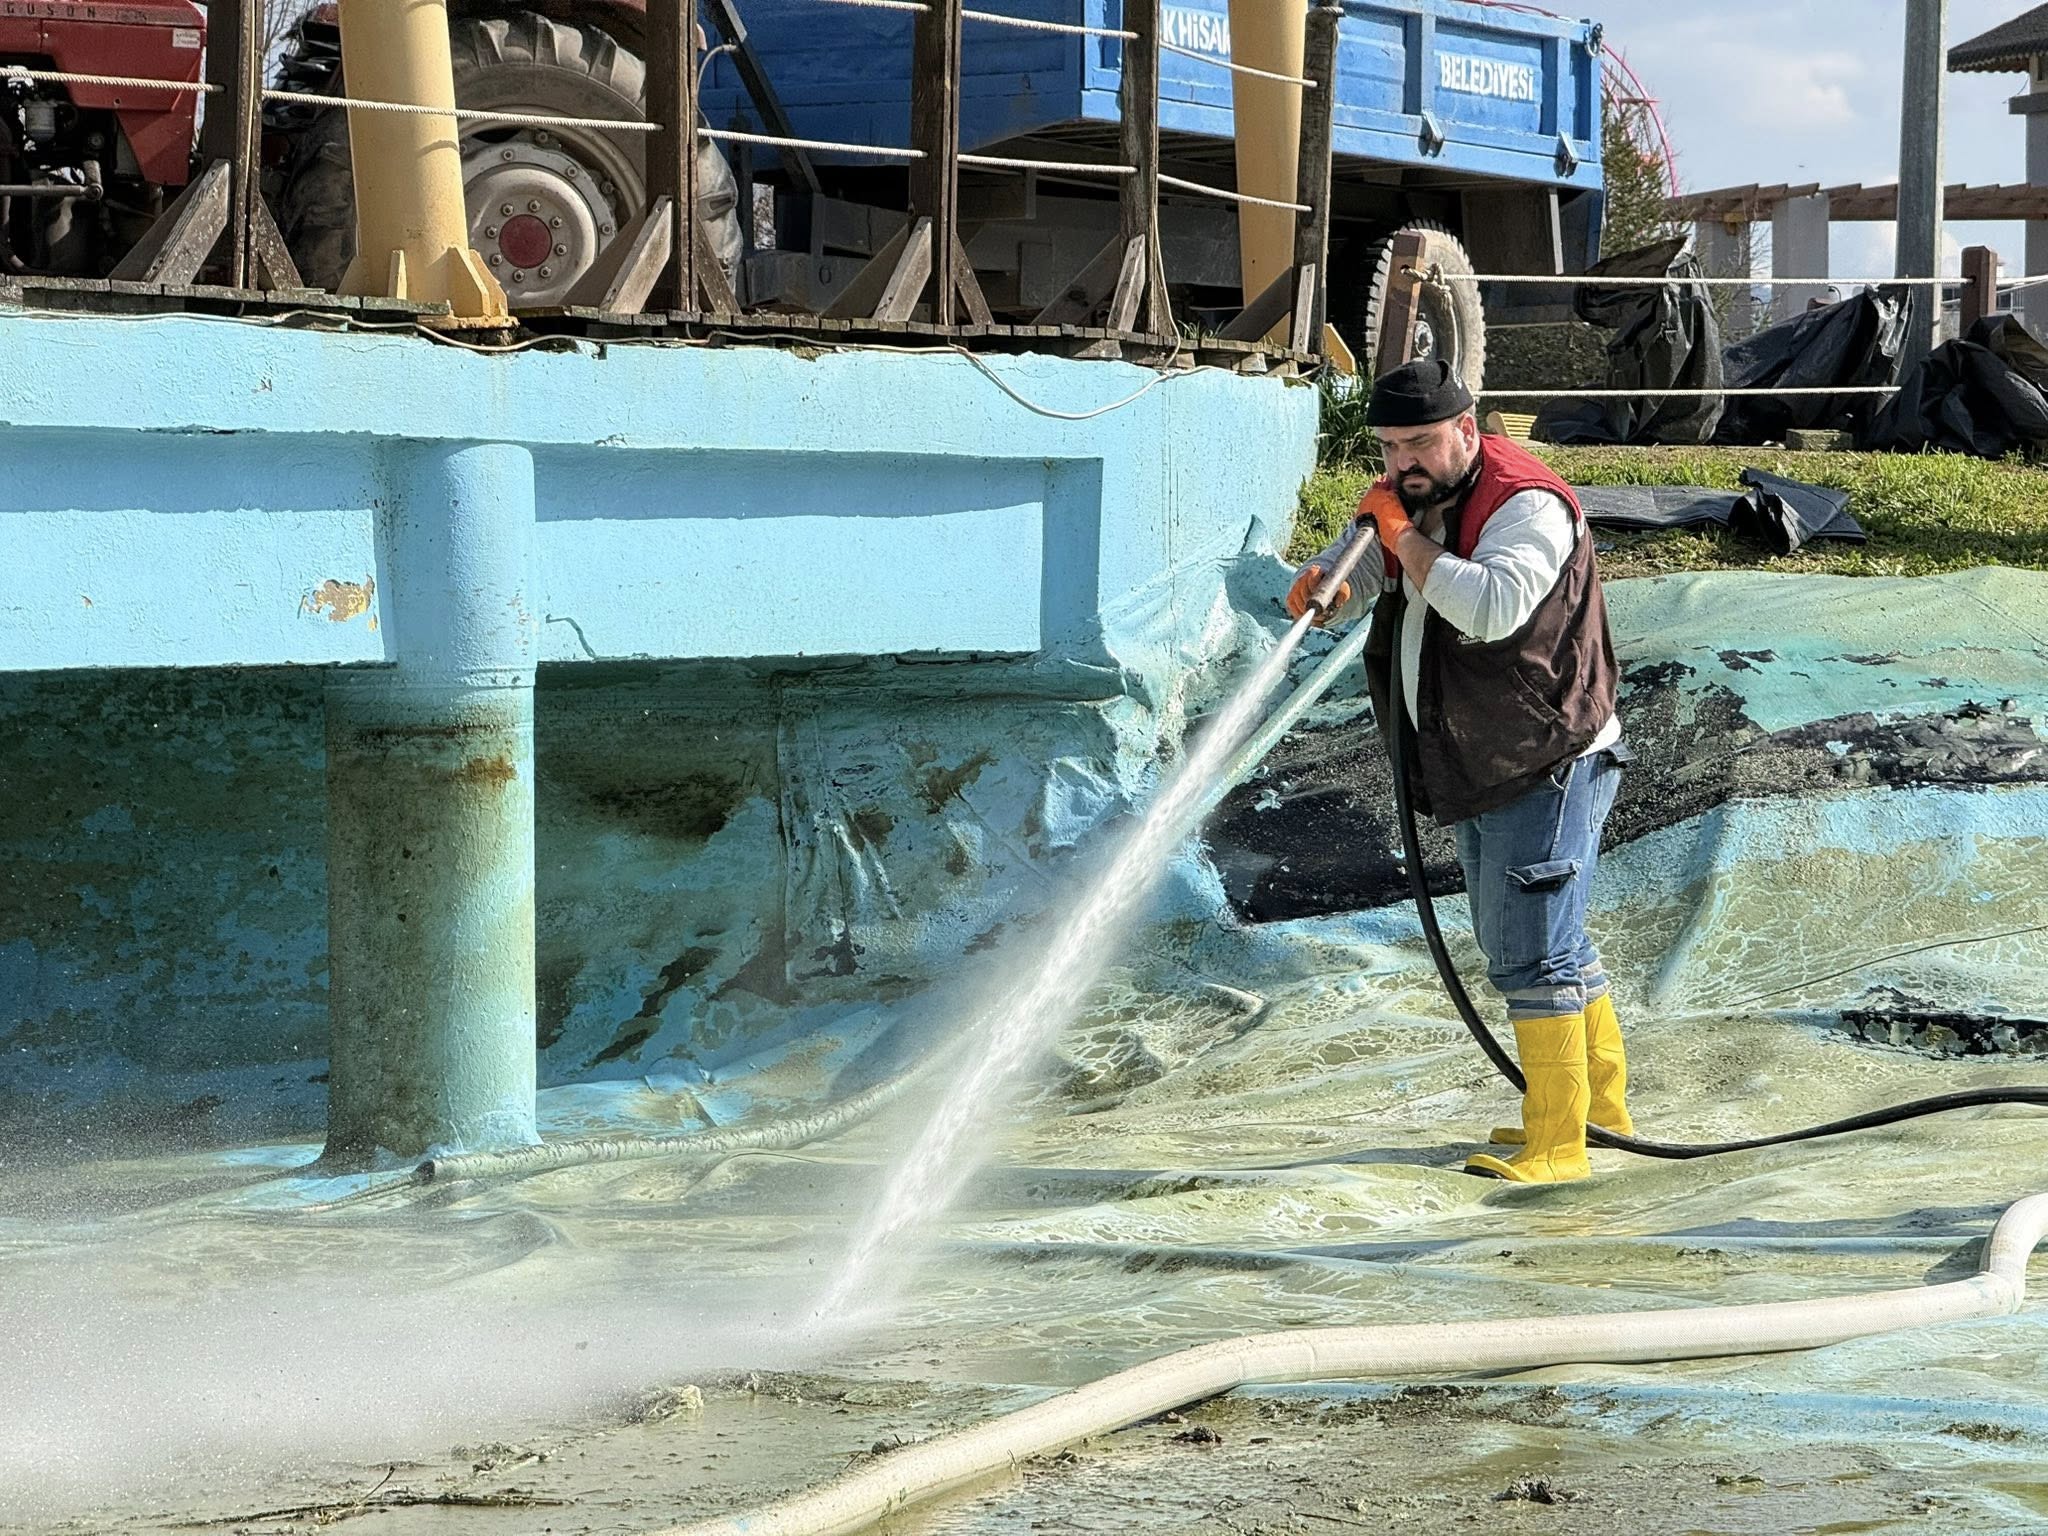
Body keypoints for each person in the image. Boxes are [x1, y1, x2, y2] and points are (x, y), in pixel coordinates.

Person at [1285, 359, 1633, 1184]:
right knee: (1548, 942)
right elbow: (1375, 568)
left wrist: (1399, 538)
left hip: (1543, 759)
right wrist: (1330, 584)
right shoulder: (1413, 499)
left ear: (1468, 432)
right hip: (1478, 756)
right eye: (1391, 446)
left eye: (1422, 442)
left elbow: (1490, 605)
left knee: (1530, 956)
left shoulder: (1528, 504)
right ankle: (1600, 1113)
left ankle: (1559, 1146)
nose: (1404, 461)